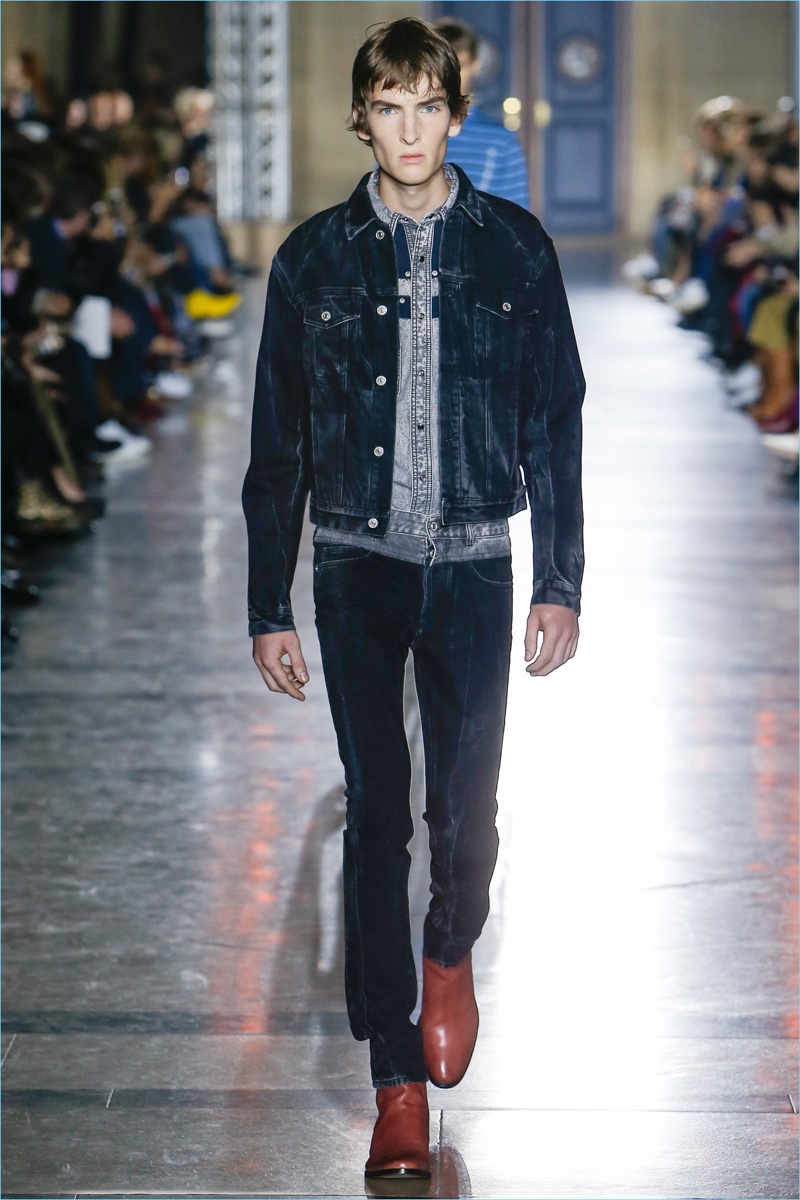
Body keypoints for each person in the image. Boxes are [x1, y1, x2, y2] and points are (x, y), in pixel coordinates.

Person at [242, 17, 584, 1180]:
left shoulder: (515, 252)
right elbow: (277, 444)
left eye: (426, 106)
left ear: (454, 115)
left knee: (467, 814)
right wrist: (267, 603)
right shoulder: (311, 260)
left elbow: (553, 422)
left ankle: (449, 949)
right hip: (355, 564)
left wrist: (558, 580)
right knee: (375, 815)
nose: (407, 129)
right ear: (362, 118)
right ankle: (393, 1079)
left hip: (475, 560)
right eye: (387, 107)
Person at [436, 16, 531, 208]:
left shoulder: (501, 140)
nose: (451, 77)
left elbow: (517, 214)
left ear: (475, 64)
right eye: (444, 68)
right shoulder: (409, 134)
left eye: (460, 67)